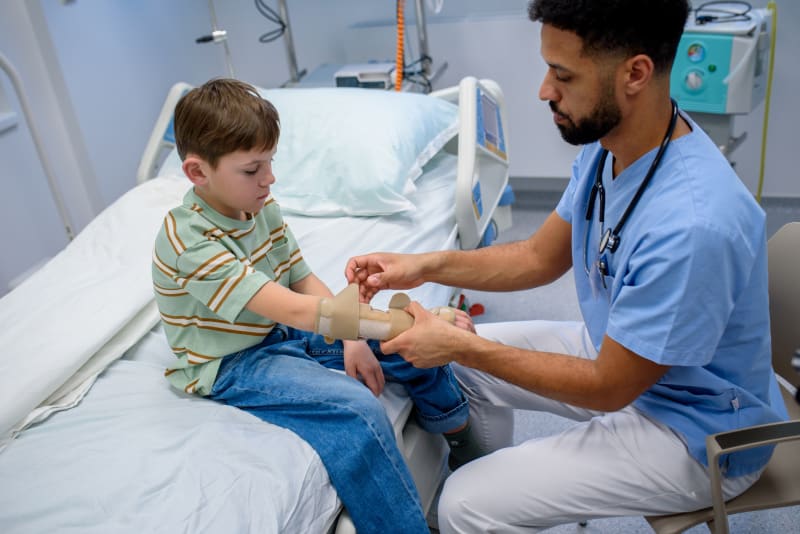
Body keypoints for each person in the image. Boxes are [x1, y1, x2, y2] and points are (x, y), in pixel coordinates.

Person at [345, 0, 789, 531]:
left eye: (563, 74)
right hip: (631, 360)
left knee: (463, 502)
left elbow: (608, 388)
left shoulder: (693, 223)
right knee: (459, 371)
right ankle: (506, 494)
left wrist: (466, 342)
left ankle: (487, 503)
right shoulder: (614, 148)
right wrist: (426, 266)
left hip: (695, 428)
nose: (543, 90)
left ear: (635, 74)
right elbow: (537, 257)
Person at [151, 78, 483, 534]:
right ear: (197, 173)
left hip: (274, 332)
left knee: (407, 345)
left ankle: (458, 434)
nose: (269, 178)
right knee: (356, 410)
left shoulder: (260, 209)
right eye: (253, 169)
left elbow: (301, 278)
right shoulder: (189, 241)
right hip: (231, 364)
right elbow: (291, 308)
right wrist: (380, 327)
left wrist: (359, 336)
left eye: (269, 163)